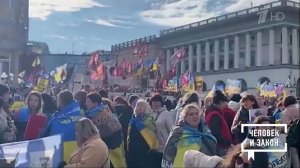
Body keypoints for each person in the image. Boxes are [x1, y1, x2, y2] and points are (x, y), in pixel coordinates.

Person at [162, 104, 218, 168]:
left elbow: (214, 152)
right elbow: (168, 154)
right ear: (184, 118)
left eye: (197, 114)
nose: (195, 116)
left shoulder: (206, 133)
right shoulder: (178, 132)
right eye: (191, 114)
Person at [85, 92, 126, 168]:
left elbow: (116, 128)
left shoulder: (102, 112)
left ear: (95, 103)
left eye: (88, 101)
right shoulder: (95, 112)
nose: (86, 103)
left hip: (110, 146)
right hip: (105, 145)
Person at [41, 90, 81, 161]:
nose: (56, 101)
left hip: (59, 150)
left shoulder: (56, 117)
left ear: (61, 101)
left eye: (58, 99)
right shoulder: (80, 111)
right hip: (77, 149)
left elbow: (47, 133)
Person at [127, 99, 159, 168]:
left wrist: (140, 124)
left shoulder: (149, 118)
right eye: (137, 105)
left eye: (141, 105)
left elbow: (152, 133)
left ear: (145, 107)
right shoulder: (133, 119)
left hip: (145, 149)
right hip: (133, 149)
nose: (138, 107)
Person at [184, 144, 269, 168]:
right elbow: (189, 154)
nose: (239, 166)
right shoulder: (216, 164)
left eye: (246, 166)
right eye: (239, 160)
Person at [149, 94, 174, 167]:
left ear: (161, 102)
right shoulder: (151, 114)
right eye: (154, 101)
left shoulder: (167, 114)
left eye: (158, 101)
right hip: (153, 147)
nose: (155, 103)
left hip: (163, 148)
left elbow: (172, 129)